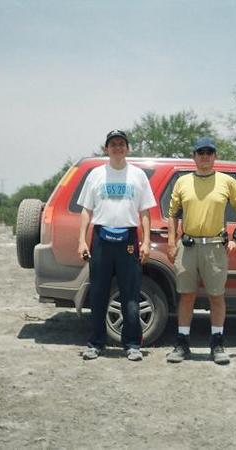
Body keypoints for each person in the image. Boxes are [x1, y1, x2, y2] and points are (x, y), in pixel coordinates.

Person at [166, 137, 236, 365]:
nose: (204, 156)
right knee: (187, 296)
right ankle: (182, 343)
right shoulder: (182, 182)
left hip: (215, 247)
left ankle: (217, 343)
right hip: (189, 246)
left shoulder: (226, 182)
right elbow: (172, 214)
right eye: (200, 152)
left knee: (216, 296)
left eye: (209, 152)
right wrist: (172, 243)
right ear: (193, 156)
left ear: (215, 156)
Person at [77, 129, 156, 361]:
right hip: (101, 238)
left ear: (127, 148)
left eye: (122, 144)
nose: (118, 147)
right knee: (99, 294)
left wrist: (147, 241)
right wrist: (82, 239)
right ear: (106, 149)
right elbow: (86, 210)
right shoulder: (95, 175)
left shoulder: (138, 176)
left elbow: (145, 211)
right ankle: (96, 343)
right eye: (113, 144)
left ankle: (132, 344)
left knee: (130, 295)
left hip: (129, 240)